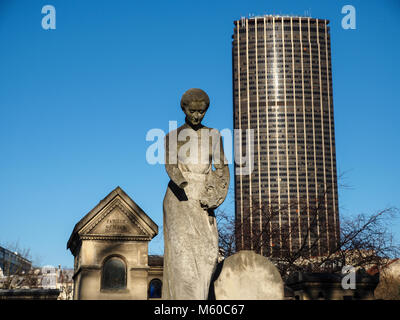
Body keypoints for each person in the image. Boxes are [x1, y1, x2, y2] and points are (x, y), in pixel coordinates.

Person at [162, 88, 229, 300]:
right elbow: (170, 165)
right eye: (193, 111)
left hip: (203, 199)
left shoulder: (214, 136)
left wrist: (217, 194)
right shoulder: (172, 137)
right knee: (182, 259)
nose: (197, 115)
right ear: (184, 108)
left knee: (207, 255)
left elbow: (222, 168)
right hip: (179, 199)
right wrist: (180, 180)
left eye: (201, 111)